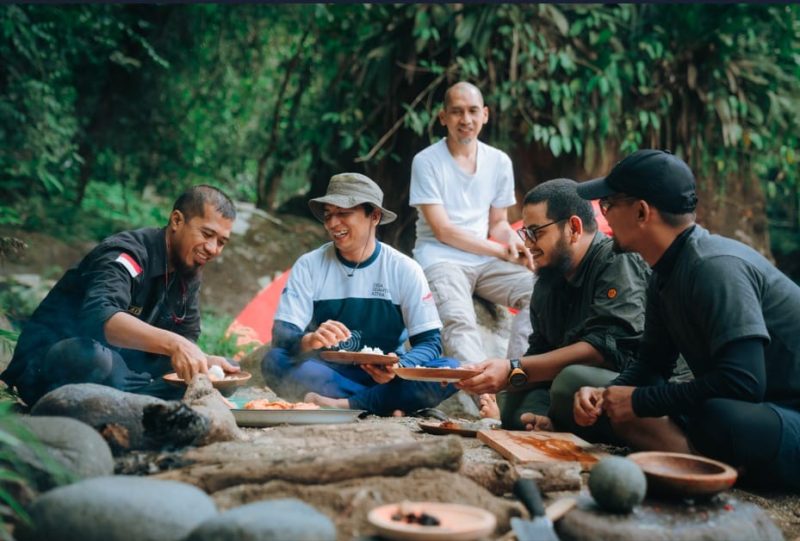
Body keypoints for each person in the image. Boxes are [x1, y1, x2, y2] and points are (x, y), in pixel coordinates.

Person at [571, 149, 800, 490]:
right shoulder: (662, 275)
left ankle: (707, 466)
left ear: (641, 211)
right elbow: (652, 364)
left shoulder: (715, 267)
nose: (604, 218)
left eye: (608, 206)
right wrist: (605, 396)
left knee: (719, 417)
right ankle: (709, 459)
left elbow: (745, 382)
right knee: (591, 391)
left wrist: (638, 401)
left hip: (780, 411)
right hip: (756, 409)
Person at [1, 185, 239, 406]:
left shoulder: (188, 270)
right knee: (92, 359)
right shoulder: (127, 253)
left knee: (222, 374)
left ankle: (133, 397)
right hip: (53, 360)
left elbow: (185, 338)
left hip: (123, 365)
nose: (213, 248)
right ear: (177, 220)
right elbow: (101, 317)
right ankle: (140, 397)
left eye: (221, 242)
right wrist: (175, 345)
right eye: (207, 234)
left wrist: (203, 361)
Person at [457, 178, 651, 432]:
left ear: (573, 227)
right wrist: (487, 375)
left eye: (536, 232)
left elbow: (603, 349)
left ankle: (558, 418)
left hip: (632, 382)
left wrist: (513, 368)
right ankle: (548, 422)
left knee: (570, 381)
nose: (527, 244)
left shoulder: (617, 261)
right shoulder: (548, 278)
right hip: (569, 388)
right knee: (512, 401)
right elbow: (540, 350)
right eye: (525, 233)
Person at [261, 172, 459, 416]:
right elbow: (282, 337)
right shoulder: (309, 265)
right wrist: (309, 339)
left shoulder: (404, 269)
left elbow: (430, 342)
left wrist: (399, 366)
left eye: (343, 213)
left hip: (387, 377)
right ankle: (384, 403)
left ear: (374, 216)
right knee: (274, 361)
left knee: (450, 369)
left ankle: (347, 405)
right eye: (328, 215)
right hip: (328, 373)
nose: (333, 224)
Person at [409, 81, 534, 369]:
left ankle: (516, 376)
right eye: (457, 112)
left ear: (485, 115)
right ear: (443, 118)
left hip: (484, 260)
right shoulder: (426, 162)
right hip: (440, 259)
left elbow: (499, 223)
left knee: (541, 292)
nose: (466, 120)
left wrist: (513, 241)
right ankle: (485, 395)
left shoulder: (499, 162)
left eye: (473, 111)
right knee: (459, 321)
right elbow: (443, 231)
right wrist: (500, 251)